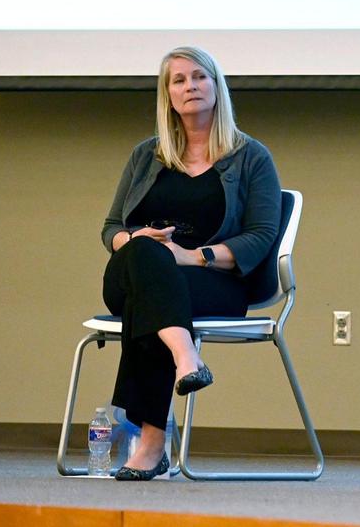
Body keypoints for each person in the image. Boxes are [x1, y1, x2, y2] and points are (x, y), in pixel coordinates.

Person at [100, 46, 281, 481]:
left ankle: (151, 445)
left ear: (216, 87)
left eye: (200, 77)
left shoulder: (250, 157)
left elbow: (260, 236)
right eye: (179, 80)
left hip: (212, 279)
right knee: (147, 257)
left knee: (155, 301)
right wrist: (134, 239)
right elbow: (111, 228)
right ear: (168, 95)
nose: (190, 86)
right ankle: (187, 358)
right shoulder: (146, 155)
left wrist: (192, 255)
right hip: (134, 271)